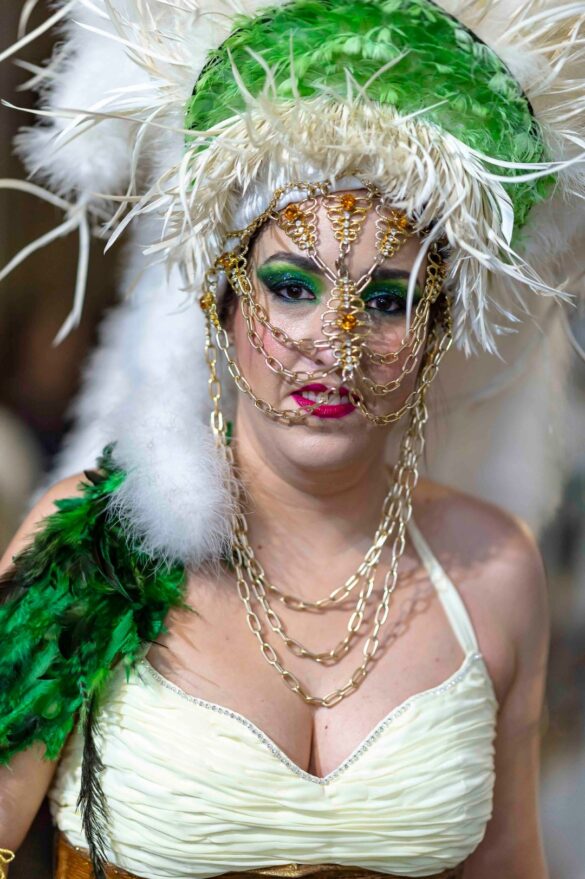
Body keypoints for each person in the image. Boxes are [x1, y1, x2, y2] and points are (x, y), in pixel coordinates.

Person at [0, 1, 584, 878]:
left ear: (435, 330)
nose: (335, 345)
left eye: (385, 300)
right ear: (224, 302)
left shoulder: (495, 570)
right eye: (291, 286)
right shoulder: (93, 549)